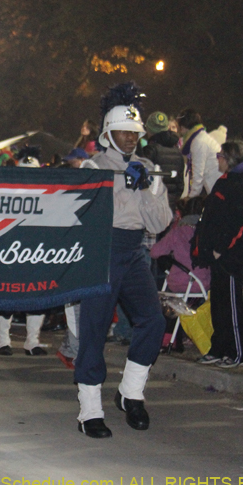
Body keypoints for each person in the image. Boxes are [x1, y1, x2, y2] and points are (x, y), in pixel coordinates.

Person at [75, 82, 173, 439]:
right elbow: (84, 215)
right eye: (123, 132)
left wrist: (147, 188)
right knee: (94, 330)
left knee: (153, 321)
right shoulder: (93, 165)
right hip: (102, 251)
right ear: (107, 134)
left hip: (134, 251)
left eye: (135, 133)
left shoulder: (149, 168)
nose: (131, 139)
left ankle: (131, 394)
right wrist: (118, 186)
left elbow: (159, 224)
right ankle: (89, 408)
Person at [191, 140, 243, 368]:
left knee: (230, 304)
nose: (217, 159)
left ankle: (239, 352)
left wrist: (222, 248)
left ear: (229, 158)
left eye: (220, 155)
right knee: (219, 304)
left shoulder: (240, 185)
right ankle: (219, 348)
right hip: (218, 255)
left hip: (231, 257)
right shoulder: (226, 182)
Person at [0, 153, 48, 356]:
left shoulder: (48, 196)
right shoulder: (7, 194)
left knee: (37, 296)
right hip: (10, 251)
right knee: (5, 295)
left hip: (36, 251)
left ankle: (32, 342)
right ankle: (2, 341)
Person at [139, 111, 186, 210]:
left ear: (149, 130)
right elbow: (180, 184)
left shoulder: (149, 151)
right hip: (170, 206)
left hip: (152, 208)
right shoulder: (177, 152)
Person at [176, 108, 222, 199]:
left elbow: (198, 174)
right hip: (217, 187)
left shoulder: (198, 142)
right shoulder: (202, 137)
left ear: (183, 127)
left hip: (217, 189)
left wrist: (190, 198)